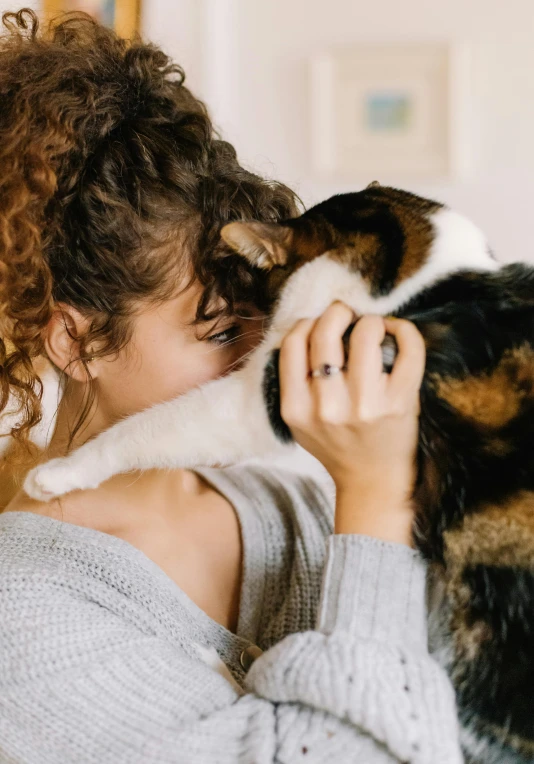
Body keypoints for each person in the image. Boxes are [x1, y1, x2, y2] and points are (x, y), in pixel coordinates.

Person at [0, 8, 462, 763]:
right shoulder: (22, 619)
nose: (266, 359)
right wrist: (378, 496)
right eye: (218, 332)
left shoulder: (285, 501)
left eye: (266, 316)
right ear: (75, 340)